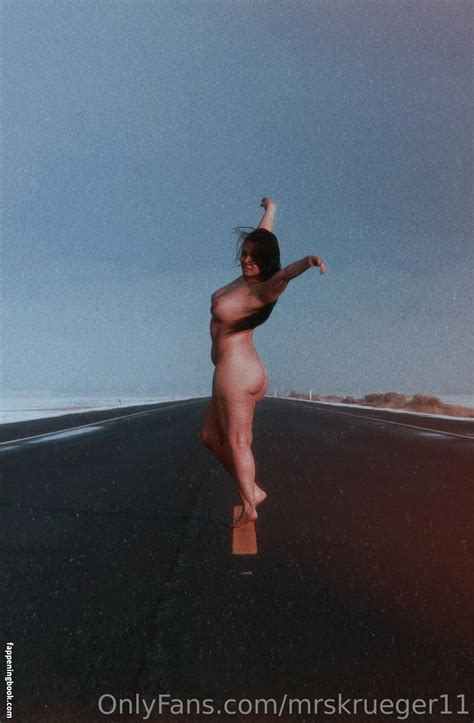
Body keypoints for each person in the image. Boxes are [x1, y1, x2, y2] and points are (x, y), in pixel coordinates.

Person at [199, 197, 326, 527]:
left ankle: (249, 506)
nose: (246, 260)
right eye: (244, 254)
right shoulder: (246, 277)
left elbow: (285, 274)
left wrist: (308, 262)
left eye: (254, 257)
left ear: (265, 262)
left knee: (238, 442)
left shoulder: (263, 290)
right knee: (209, 435)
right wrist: (270, 210)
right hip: (234, 370)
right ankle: (251, 489)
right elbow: (263, 237)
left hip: (237, 372)